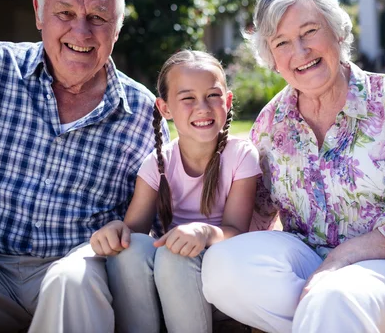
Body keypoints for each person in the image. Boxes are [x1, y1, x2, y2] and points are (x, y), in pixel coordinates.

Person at [201, 0, 385, 333]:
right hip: (308, 266)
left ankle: (328, 312)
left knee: (336, 297)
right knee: (220, 268)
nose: (300, 51)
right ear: (272, 59)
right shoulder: (271, 124)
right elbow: (255, 219)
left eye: (309, 31)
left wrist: (342, 259)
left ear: (337, 32)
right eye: (282, 43)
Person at [0, 0, 168, 333]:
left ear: (117, 26)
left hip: (78, 270)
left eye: (98, 18)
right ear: (39, 12)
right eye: (65, 13)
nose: (81, 33)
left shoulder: (142, 112)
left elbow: (156, 227)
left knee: (72, 281)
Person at [90, 49, 261, 333]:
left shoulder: (241, 155)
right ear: (165, 108)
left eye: (213, 95)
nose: (203, 107)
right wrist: (115, 230)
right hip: (175, 270)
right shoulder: (157, 164)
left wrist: (204, 233)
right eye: (188, 98)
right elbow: (134, 232)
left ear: (228, 101)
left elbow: (236, 231)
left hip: (226, 262)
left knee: (173, 256)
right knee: (130, 250)